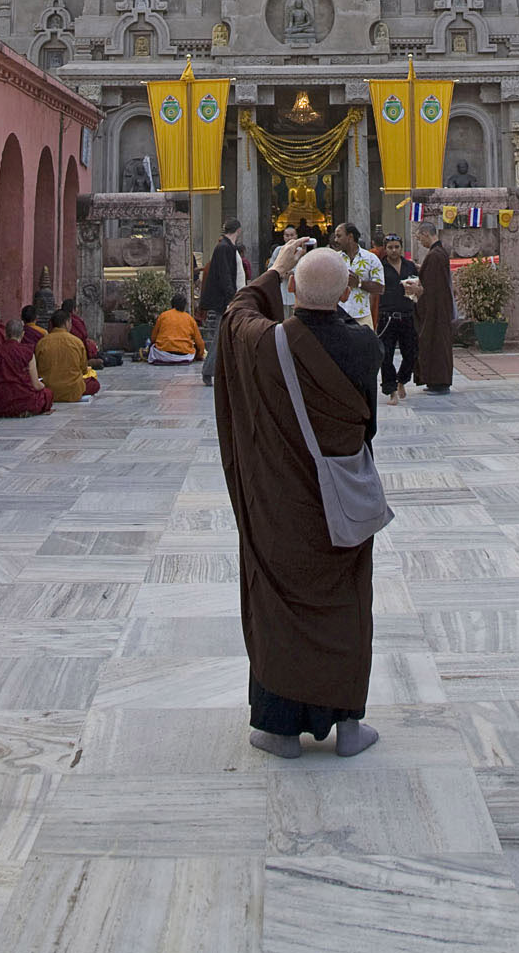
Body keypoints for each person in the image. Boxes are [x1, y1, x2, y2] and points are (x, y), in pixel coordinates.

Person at [215, 238, 382, 761]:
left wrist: (271, 270)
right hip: (340, 502)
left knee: (281, 606)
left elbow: (234, 316)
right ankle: (348, 725)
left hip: (284, 503)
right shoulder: (366, 346)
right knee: (347, 603)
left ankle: (281, 727)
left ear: (290, 288)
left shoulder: (267, 343)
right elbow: (368, 423)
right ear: (348, 291)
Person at [0, 318, 54, 417]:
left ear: (5, 334)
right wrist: (43, 386)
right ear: (23, 334)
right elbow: (36, 385)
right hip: (23, 403)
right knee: (47, 393)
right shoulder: (27, 352)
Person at [198, 216, 243, 387]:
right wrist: (232, 298)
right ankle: (208, 371)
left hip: (225, 299)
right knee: (219, 336)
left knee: (226, 335)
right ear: (238, 230)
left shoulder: (225, 247)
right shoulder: (224, 248)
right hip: (223, 301)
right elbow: (225, 276)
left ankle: (227, 370)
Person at [376, 239, 421, 404]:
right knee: (385, 355)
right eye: (390, 247)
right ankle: (391, 390)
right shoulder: (380, 266)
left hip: (407, 314)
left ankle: (402, 380)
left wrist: (417, 290)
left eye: (396, 247)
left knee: (410, 353)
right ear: (385, 249)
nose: (394, 250)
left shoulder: (409, 266)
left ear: (401, 248)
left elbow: (420, 287)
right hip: (387, 316)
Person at [413, 233, 455, 393]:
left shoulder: (435, 256)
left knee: (435, 344)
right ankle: (435, 381)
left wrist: (417, 291)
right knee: (437, 343)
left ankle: (439, 382)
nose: (420, 241)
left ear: (426, 234)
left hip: (435, 309)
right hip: (439, 308)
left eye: (420, 238)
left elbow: (431, 288)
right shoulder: (438, 253)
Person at [35, 307, 101, 401]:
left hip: (49, 390)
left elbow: (37, 369)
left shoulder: (42, 343)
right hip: (72, 391)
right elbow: (83, 370)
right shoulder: (76, 342)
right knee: (94, 384)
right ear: (66, 323)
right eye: (70, 323)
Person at [333, 221, 382, 330]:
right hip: (338, 317)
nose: (335, 240)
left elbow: (380, 288)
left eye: (339, 236)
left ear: (350, 237)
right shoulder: (334, 259)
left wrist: (359, 283)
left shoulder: (370, 258)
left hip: (362, 317)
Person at [148, 290, 206, 364]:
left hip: (163, 354)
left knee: (152, 347)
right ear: (184, 305)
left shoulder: (163, 316)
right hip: (185, 355)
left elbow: (153, 338)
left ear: (172, 304)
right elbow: (199, 342)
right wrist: (200, 355)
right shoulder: (190, 319)